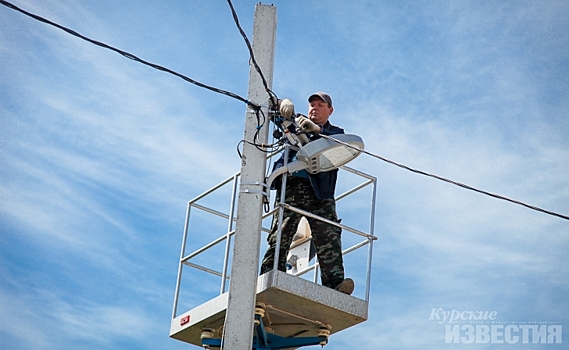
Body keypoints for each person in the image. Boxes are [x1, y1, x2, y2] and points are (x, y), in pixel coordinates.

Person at [260, 92, 354, 295]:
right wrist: (282, 102)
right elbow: (270, 106)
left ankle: (335, 284)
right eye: (312, 104)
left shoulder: (335, 133)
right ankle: (269, 272)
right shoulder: (296, 122)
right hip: (292, 184)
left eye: (321, 105)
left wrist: (318, 131)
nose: (315, 108)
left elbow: (342, 144)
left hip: (320, 191)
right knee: (282, 232)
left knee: (328, 234)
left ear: (330, 110)